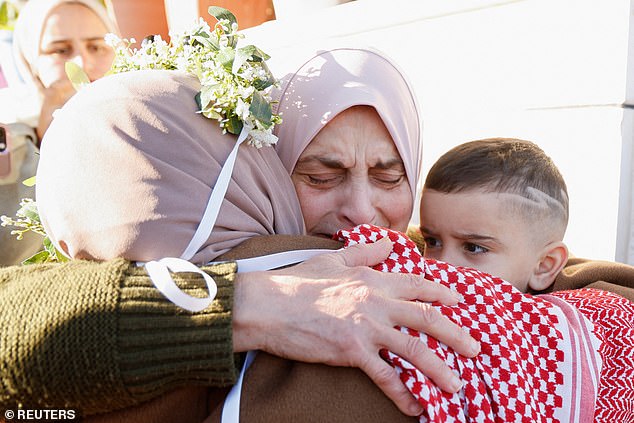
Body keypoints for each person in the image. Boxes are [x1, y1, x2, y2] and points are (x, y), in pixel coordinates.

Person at [1, 58, 476, 418]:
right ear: (262, 169)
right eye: (320, 175)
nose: (360, 209)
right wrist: (242, 303)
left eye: (390, 177)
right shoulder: (79, 321)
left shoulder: (454, 264)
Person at [419, 138, 569, 293]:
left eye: (474, 248)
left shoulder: (565, 315)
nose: (439, 266)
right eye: (432, 242)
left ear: (544, 266)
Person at [12, 0, 118, 143]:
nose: (82, 64)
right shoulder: (11, 140)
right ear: (30, 63)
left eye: (96, 47)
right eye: (61, 50)